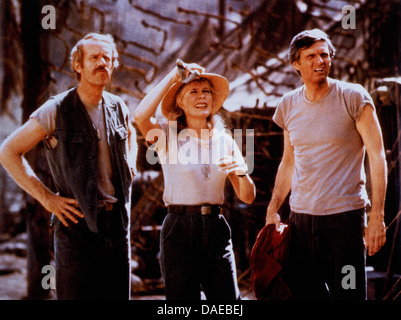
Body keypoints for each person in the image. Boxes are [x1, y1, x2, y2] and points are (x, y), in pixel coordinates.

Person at [0, 32, 137, 300]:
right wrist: (47, 199)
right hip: (76, 227)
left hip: (117, 226)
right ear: (78, 65)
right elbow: (8, 151)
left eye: (107, 58)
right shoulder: (57, 109)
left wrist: (130, 162)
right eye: (95, 57)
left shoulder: (118, 106)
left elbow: (131, 134)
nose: (102, 63)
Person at [265, 29, 387, 300]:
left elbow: (378, 156)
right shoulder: (288, 105)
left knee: (348, 296)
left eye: (324, 54)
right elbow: (288, 163)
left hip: (344, 222)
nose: (320, 61)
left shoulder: (354, 97)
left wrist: (377, 216)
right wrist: (273, 209)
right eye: (311, 56)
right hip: (300, 223)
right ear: (296, 63)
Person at [133, 60, 256, 300]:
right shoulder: (167, 136)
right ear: (180, 101)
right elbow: (140, 115)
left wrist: (242, 172)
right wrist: (173, 76)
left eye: (206, 92)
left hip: (216, 229)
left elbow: (248, 197)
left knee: (228, 303)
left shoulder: (226, 140)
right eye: (193, 91)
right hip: (178, 228)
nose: (202, 97)